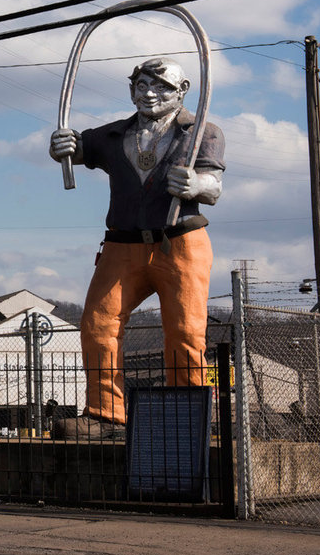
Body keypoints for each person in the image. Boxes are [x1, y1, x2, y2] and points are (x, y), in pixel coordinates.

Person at [48, 57, 225, 440]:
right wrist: (60, 146)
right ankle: (106, 413)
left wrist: (196, 185)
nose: (148, 93)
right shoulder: (112, 135)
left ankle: (188, 412)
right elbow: (75, 149)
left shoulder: (201, 132)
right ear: (131, 91)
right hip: (122, 244)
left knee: (184, 331)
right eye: (141, 85)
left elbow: (213, 187)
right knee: (97, 324)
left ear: (182, 91)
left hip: (180, 242)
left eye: (161, 87)